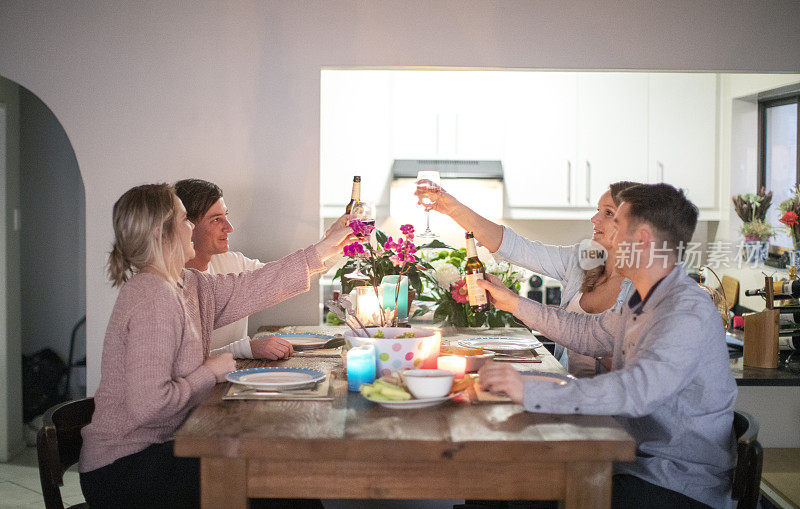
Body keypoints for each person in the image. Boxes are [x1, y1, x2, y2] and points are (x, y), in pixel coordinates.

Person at [78, 183, 353, 508]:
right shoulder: (151, 297)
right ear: (159, 234)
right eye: (184, 219)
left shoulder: (186, 284)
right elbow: (149, 407)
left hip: (161, 448)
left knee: (280, 480)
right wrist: (209, 372)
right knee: (275, 484)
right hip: (125, 466)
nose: (191, 227)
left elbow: (258, 285)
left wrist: (325, 249)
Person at [477, 183, 737, 509]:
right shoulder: (643, 298)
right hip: (631, 462)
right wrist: (513, 303)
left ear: (641, 240)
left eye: (617, 223)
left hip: (673, 481)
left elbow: (634, 392)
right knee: (503, 485)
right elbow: (587, 333)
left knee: (511, 493)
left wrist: (529, 390)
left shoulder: (685, 312)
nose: (607, 234)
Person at [416, 180, 638, 377]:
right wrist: (451, 207)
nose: (594, 218)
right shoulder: (580, 261)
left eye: (608, 213)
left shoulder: (642, 284)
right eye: (597, 210)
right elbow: (514, 247)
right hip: (571, 390)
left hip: (613, 408)